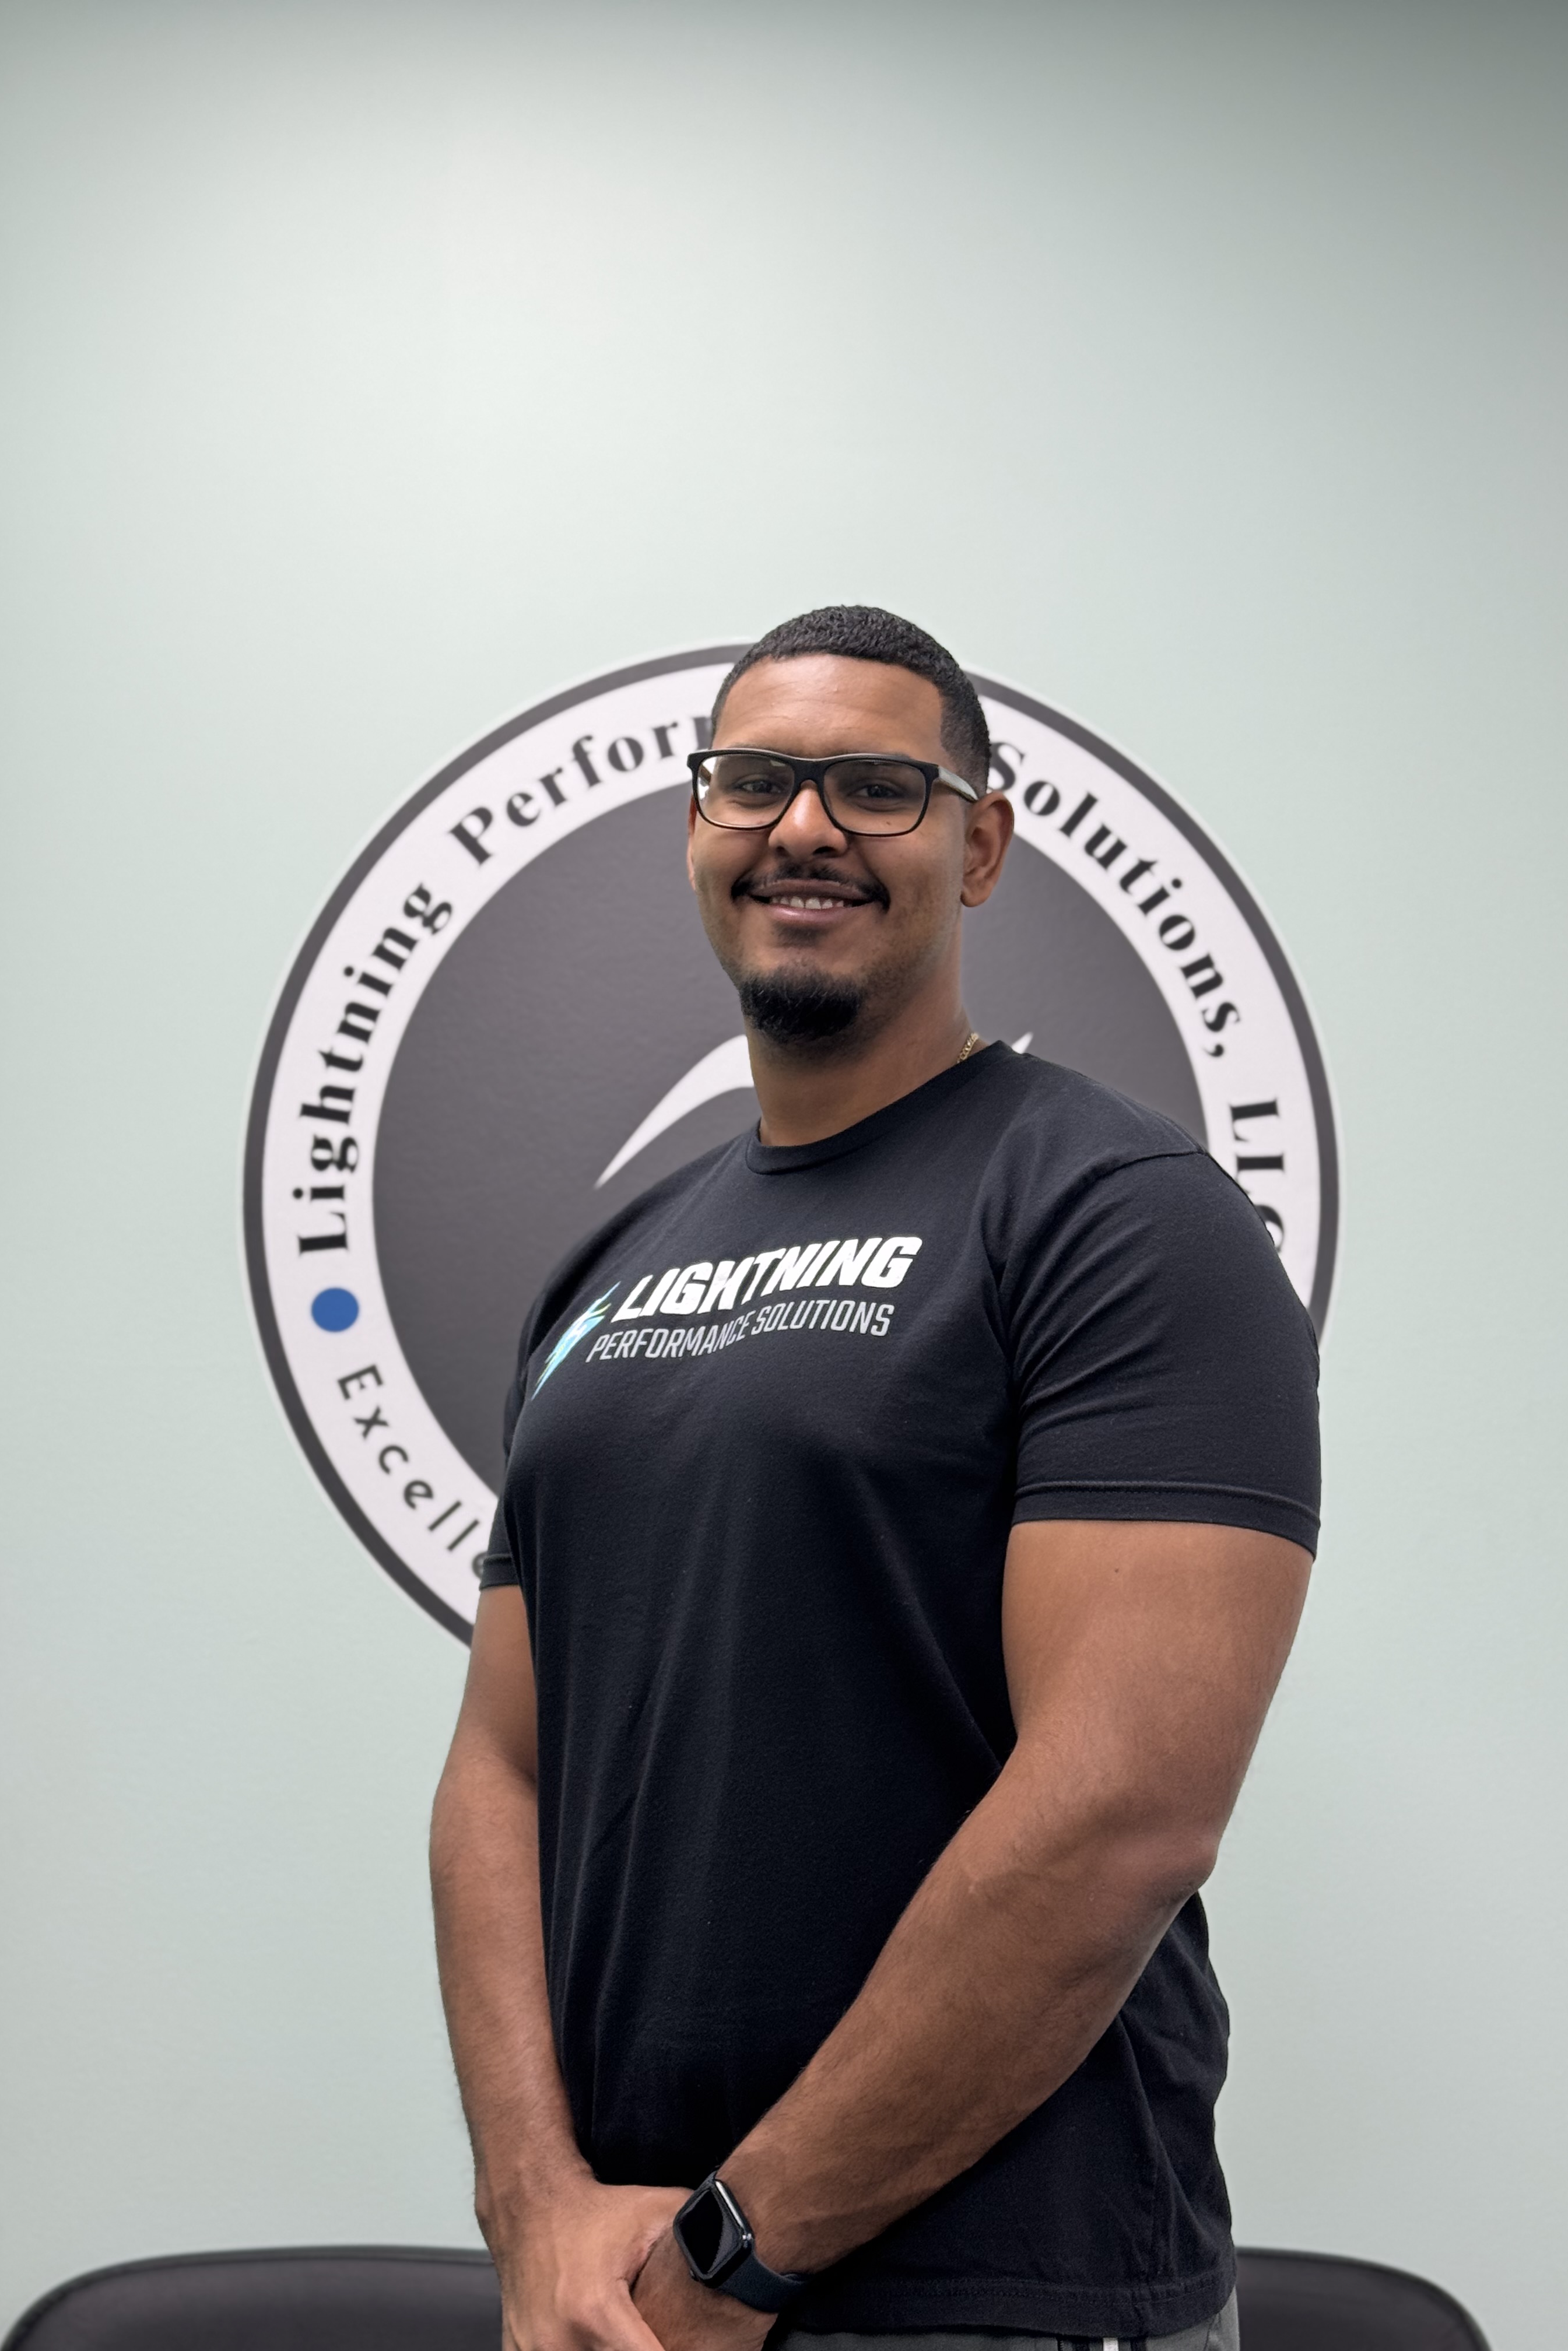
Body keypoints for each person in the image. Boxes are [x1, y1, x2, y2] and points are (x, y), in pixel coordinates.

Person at [430, 606, 1320, 2351]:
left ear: (981, 844)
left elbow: (1124, 1816)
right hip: (615, 2296)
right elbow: (499, 1764)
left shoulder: (1118, 1221)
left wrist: (743, 2252)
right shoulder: (606, 1266)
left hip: (997, 2298)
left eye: (877, 788)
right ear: (698, 833)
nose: (805, 828)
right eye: (752, 782)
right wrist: (535, 2208)